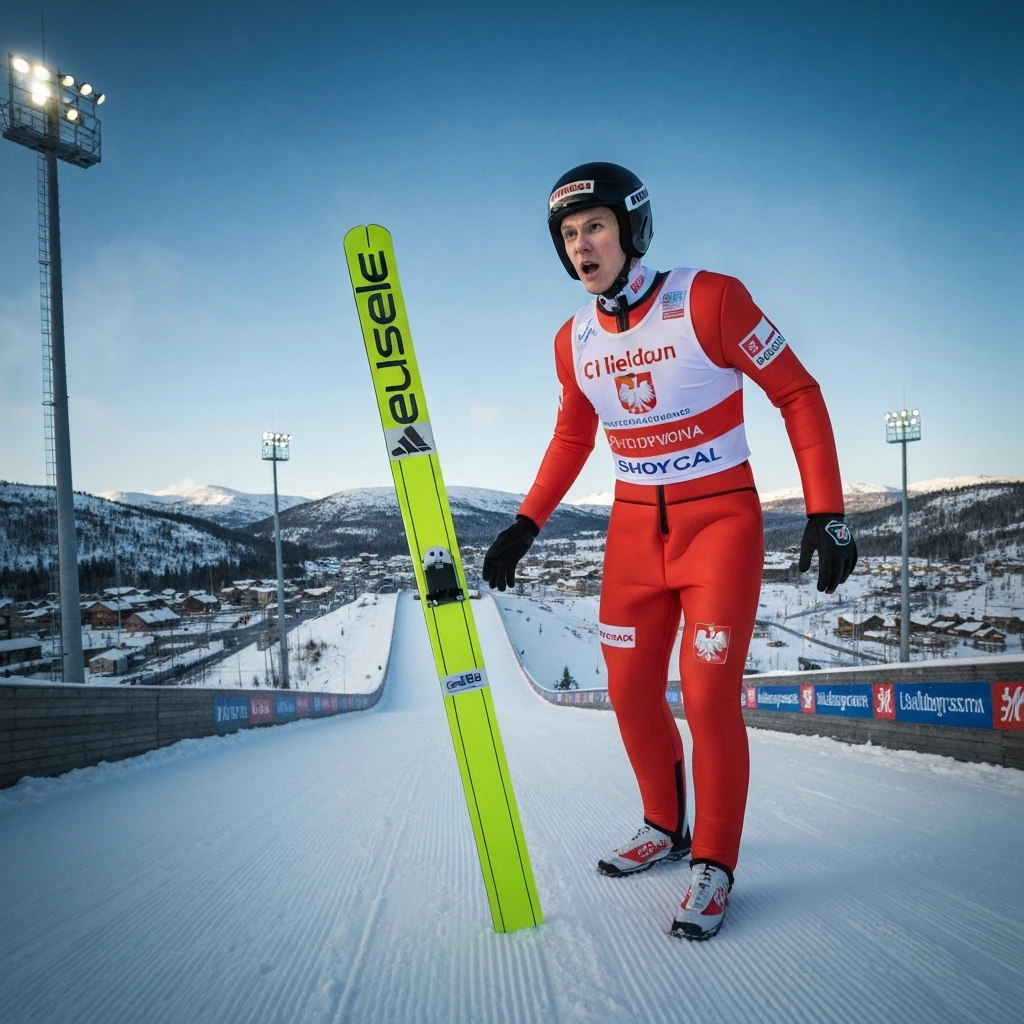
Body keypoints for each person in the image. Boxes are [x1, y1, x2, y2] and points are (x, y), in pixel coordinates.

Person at [482, 162, 857, 940]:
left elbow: (797, 391)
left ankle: (714, 861)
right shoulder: (574, 339)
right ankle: (665, 824)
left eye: (595, 227)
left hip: (719, 525)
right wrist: (527, 521)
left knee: (708, 694)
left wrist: (826, 509)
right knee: (629, 692)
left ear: (631, 229)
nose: (581, 245)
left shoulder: (712, 299)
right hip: (630, 535)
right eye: (568, 234)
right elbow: (573, 434)